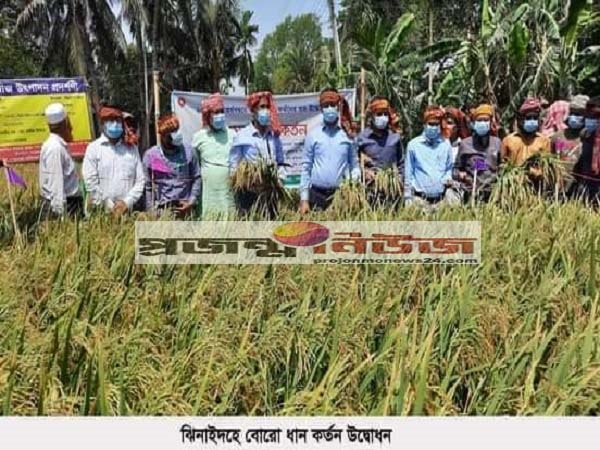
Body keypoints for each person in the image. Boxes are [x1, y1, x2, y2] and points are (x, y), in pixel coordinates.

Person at [299, 88, 360, 213]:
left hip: (341, 196)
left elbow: (354, 165)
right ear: (321, 109)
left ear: (338, 107)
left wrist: (351, 188)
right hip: (316, 195)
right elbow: (306, 168)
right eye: (326, 106)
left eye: (332, 105)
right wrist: (304, 200)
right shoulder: (313, 135)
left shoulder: (348, 136)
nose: (329, 109)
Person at [229, 91, 286, 216]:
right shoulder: (242, 136)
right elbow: (234, 165)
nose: (266, 111)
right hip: (249, 194)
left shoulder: (274, 136)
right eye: (262, 107)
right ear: (253, 110)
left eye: (267, 107)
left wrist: (281, 180)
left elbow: (280, 162)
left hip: (270, 194)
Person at [82, 105, 145, 216]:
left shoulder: (131, 149)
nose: (115, 124)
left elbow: (140, 180)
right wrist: (109, 206)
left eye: (118, 120)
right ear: (102, 123)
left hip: (127, 212)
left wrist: (126, 203)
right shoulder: (93, 148)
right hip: (100, 213)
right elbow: (90, 182)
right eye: (110, 120)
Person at [143, 113, 201, 217]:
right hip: (162, 211)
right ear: (163, 136)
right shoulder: (151, 155)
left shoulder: (189, 152)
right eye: (172, 132)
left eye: (176, 130)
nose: (176, 134)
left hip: (185, 208)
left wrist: (191, 201)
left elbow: (196, 177)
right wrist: (151, 212)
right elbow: (148, 186)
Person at [403, 106, 457, 207]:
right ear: (424, 125)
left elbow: (448, 168)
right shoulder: (413, 145)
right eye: (431, 124)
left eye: (436, 124)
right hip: (419, 200)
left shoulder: (446, 144)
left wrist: (447, 178)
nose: (434, 127)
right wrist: (407, 197)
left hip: (441, 200)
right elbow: (408, 174)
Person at [192, 93, 235, 218]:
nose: (220, 115)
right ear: (208, 115)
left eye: (222, 111)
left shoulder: (233, 135)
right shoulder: (198, 137)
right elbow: (195, 166)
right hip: (208, 194)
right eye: (216, 112)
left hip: (228, 193)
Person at [38, 103, 83, 218]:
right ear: (65, 123)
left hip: (70, 204)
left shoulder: (57, 145)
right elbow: (56, 183)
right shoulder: (55, 148)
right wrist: (61, 216)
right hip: (66, 206)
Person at [452, 104, 501, 202]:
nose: (482, 123)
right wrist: (460, 175)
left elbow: (502, 166)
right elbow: (455, 170)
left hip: (493, 195)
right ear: (474, 123)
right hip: (471, 193)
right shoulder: (465, 144)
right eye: (479, 120)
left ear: (490, 123)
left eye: (485, 120)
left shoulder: (497, 143)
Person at [357, 96, 403, 183]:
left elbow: (401, 163)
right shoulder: (363, 137)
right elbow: (353, 161)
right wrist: (364, 171)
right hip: (369, 186)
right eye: (379, 114)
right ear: (372, 116)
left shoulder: (395, 137)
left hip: (392, 186)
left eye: (385, 114)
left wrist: (399, 179)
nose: (383, 117)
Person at [550, 95, 588, 194]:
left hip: (581, 192)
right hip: (559, 190)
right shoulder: (558, 137)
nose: (574, 117)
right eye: (572, 113)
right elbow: (552, 162)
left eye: (579, 114)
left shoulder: (589, 139)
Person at [501, 97, 551, 170]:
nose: (532, 121)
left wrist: (537, 172)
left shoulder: (544, 141)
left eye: (535, 118)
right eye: (528, 118)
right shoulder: (508, 140)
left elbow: (546, 167)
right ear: (521, 119)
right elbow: (502, 165)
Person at [572, 96, 600, 204]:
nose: (591, 120)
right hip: (586, 187)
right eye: (589, 116)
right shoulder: (586, 136)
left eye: (595, 116)